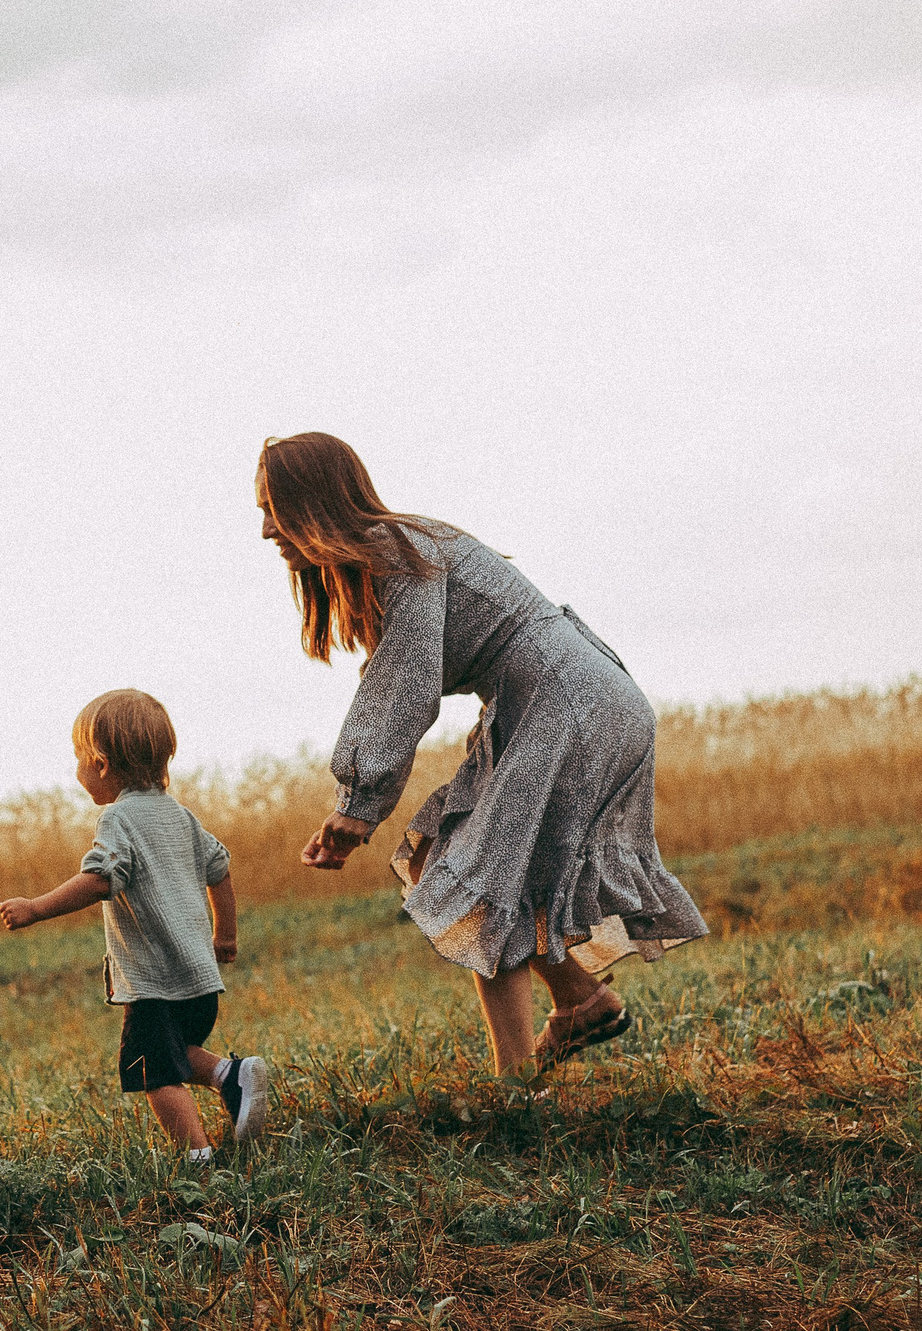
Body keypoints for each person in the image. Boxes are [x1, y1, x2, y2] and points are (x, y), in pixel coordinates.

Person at [257, 432, 708, 1072]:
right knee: (454, 862)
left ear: (313, 503)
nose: (267, 530)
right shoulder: (400, 547)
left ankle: (513, 1086)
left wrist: (358, 801)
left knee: (478, 885)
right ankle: (580, 1003)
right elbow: (396, 673)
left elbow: (406, 682)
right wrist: (359, 798)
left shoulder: (396, 548)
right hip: (575, 698)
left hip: (565, 704)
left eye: (274, 510)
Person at [0, 690, 273, 1164]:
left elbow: (99, 879)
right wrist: (225, 935)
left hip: (154, 984)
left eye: (79, 759)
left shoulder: (118, 818)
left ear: (101, 765)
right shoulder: (180, 815)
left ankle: (198, 1159)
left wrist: (36, 908)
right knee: (176, 1051)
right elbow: (220, 869)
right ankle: (232, 1076)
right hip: (200, 982)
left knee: (153, 1072)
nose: (77, 771)